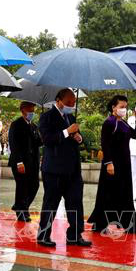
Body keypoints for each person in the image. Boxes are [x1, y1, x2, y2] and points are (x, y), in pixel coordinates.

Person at [36, 88, 91, 248]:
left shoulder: (71, 117)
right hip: (54, 169)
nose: (71, 105)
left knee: (75, 202)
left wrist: (78, 138)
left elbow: (75, 138)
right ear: (58, 100)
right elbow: (47, 139)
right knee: (51, 203)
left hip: (72, 169)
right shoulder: (47, 117)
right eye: (68, 103)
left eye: (73, 103)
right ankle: (44, 234)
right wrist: (67, 132)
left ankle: (75, 235)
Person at [88, 95, 136, 235]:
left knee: (125, 194)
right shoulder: (109, 123)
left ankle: (130, 225)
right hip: (112, 165)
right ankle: (99, 224)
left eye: (125, 107)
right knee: (107, 194)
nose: (124, 109)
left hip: (124, 164)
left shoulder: (123, 123)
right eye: (121, 107)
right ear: (114, 107)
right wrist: (109, 163)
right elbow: (105, 144)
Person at [8, 101, 42, 222]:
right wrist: (19, 162)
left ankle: (22, 207)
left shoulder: (34, 126)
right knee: (22, 186)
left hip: (33, 162)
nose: (32, 112)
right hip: (20, 162)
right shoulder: (16, 124)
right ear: (23, 110)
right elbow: (14, 144)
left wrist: (41, 132)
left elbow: (39, 143)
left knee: (34, 185)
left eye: (33, 109)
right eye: (30, 109)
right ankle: (21, 212)